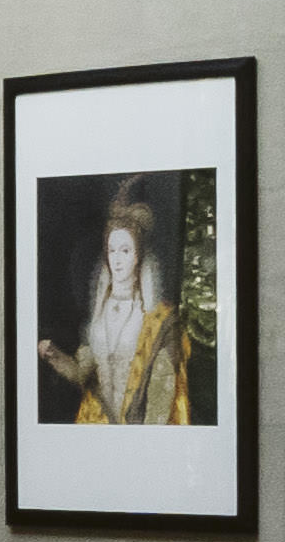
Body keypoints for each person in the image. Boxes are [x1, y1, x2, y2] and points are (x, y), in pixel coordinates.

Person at [37, 178, 197, 427]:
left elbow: (161, 398)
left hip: (140, 429)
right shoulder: (100, 314)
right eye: (112, 250)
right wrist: (54, 356)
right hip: (97, 424)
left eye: (125, 250)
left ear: (138, 256)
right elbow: (83, 374)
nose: (117, 259)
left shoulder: (160, 320)